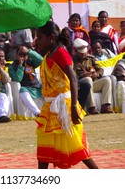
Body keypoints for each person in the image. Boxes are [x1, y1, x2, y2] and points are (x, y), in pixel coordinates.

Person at [35, 21, 98, 169]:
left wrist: (75, 107)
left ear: (51, 37)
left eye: (40, 37)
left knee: (77, 146)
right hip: (51, 107)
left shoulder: (61, 53)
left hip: (65, 107)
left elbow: (74, 80)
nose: (38, 41)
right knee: (44, 147)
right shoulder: (49, 55)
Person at [72, 38, 114, 114]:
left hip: (93, 83)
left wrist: (96, 74)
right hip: (81, 86)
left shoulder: (90, 58)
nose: (83, 54)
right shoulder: (72, 60)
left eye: (84, 52)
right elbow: (73, 76)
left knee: (107, 80)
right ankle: (92, 107)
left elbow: (100, 70)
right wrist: (84, 75)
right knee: (88, 79)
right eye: (81, 52)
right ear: (75, 51)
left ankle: (105, 106)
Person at [8, 46, 44, 117]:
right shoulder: (12, 67)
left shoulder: (30, 62)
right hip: (26, 88)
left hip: (37, 87)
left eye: (24, 55)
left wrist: (29, 52)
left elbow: (41, 60)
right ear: (16, 55)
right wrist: (20, 66)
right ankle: (37, 112)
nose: (22, 57)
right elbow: (18, 79)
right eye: (20, 54)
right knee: (23, 91)